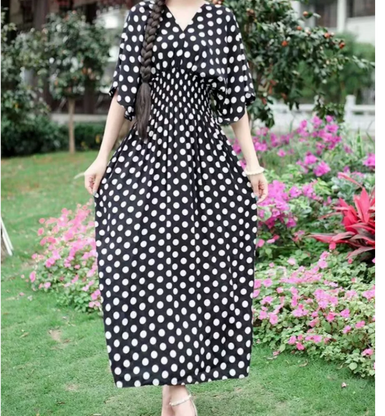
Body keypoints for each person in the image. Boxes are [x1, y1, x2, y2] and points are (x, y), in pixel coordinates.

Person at [85, 1, 268, 415]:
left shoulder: (221, 19)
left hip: (204, 160)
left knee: (200, 271)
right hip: (148, 156)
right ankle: (179, 396)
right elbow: (123, 95)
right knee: (149, 267)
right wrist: (101, 157)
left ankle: (174, 397)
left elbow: (235, 102)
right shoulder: (142, 15)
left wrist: (253, 163)